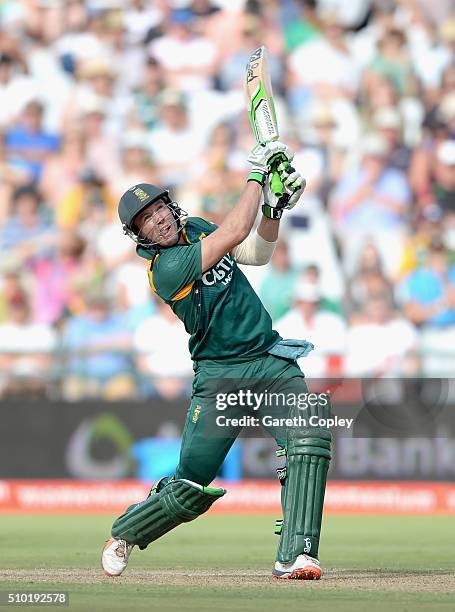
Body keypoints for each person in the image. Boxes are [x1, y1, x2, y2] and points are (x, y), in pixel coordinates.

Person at [101, 141, 333, 581]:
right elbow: (232, 234)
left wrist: (273, 210)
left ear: (171, 206)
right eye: (146, 220)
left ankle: (297, 555)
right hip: (220, 375)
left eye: (158, 209)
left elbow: (254, 253)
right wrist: (257, 176)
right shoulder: (165, 268)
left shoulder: (198, 227)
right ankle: (126, 532)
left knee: (309, 438)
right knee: (190, 484)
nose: (158, 220)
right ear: (140, 235)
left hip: (269, 359)